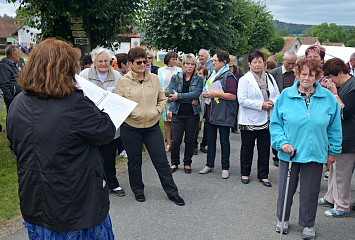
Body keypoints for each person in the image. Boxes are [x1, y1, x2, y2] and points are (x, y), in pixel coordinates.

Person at [6, 38, 116, 239]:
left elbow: (15, 144)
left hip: (35, 201)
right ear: (65, 69)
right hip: (76, 207)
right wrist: (87, 101)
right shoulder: (75, 104)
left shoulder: (18, 102)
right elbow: (106, 131)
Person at [270, 58, 342, 239]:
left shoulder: (328, 99)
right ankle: (283, 219)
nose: (307, 78)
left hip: (315, 154)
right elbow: (276, 124)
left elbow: (334, 127)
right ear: (298, 74)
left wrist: (333, 151)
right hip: (290, 153)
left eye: (311, 75)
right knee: (285, 191)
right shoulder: (285, 96)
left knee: (310, 193)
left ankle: (308, 224)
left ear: (318, 76)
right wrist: (282, 143)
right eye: (303, 74)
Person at [115, 47, 185, 206]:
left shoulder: (153, 78)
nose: (143, 65)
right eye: (138, 62)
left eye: (145, 62)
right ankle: (138, 190)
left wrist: (157, 111)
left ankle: (172, 192)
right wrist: (132, 114)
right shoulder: (123, 81)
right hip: (131, 127)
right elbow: (119, 104)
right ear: (130, 64)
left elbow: (162, 99)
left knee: (161, 161)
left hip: (152, 127)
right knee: (134, 161)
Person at [79, 46, 126, 197]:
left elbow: (121, 96)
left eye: (106, 61)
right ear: (94, 62)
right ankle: (95, 184)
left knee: (109, 156)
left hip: (109, 122)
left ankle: (113, 184)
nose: (104, 64)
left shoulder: (117, 76)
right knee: (92, 157)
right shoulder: (84, 74)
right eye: (100, 61)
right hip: (90, 122)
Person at [317, 58, 355, 217]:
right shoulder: (345, 85)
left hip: (349, 138)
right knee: (333, 170)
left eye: (332, 78)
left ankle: (342, 206)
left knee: (342, 175)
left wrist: (334, 93)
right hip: (339, 137)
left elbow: (345, 112)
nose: (332, 81)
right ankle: (330, 197)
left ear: (340, 73)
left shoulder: (352, 88)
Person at [237, 50, 280, 187]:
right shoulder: (245, 80)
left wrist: (272, 102)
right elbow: (242, 100)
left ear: (264, 63)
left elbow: (276, 94)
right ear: (249, 64)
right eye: (254, 62)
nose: (257, 65)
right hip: (249, 120)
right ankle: (245, 173)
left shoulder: (270, 78)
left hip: (267, 119)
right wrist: (260, 105)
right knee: (247, 148)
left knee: (264, 149)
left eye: (260, 62)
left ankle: (263, 175)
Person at [199, 50, 238, 179]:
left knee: (224, 142)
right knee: (210, 141)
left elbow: (232, 96)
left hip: (223, 114)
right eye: (213, 60)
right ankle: (209, 164)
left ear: (224, 62)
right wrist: (207, 93)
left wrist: (215, 94)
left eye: (216, 60)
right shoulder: (212, 75)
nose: (213, 62)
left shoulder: (229, 76)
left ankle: (225, 167)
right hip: (211, 113)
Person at [169, 53, 203, 174]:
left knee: (190, 140)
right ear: (183, 65)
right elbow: (171, 94)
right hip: (178, 113)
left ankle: (187, 163)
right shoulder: (176, 77)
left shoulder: (199, 79)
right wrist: (183, 97)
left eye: (192, 64)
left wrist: (179, 96)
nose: (189, 66)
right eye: (187, 64)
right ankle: (174, 162)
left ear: (195, 66)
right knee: (175, 140)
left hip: (192, 114)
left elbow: (196, 94)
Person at [268, 50, 297, 167]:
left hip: (295, 107)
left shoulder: (298, 73)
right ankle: (276, 155)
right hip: (279, 106)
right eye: (288, 63)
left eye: (293, 64)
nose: (290, 66)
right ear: (283, 61)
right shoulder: (273, 73)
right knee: (278, 130)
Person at [157, 52, 182, 152]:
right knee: (167, 122)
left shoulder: (179, 70)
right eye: (173, 59)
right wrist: (164, 97)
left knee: (176, 122)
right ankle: (168, 143)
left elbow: (180, 84)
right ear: (168, 59)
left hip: (176, 99)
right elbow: (159, 84)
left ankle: (176, 143)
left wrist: (176, 96)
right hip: (165, 100)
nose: (175, 61)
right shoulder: (160, 70)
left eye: (176, 59)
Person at [0, 44, 22, 111]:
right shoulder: (4, 66)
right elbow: (4, 85)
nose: (19, 55)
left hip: (17, 98)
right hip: (12, 100)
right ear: (13, 54)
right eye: (18, 53)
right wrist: (11, 100)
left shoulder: (12, 65)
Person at [195, 66, 209, 154]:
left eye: (200, 73)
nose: (198, 75)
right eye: (197, 73)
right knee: (196, 127)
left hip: (207, 108)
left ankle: (203, 145)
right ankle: (194, 145)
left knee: (207, 128)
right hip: (198, 108)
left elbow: (216, 98)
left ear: (205, 75)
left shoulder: (209, 83)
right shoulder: (195, 83)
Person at [229, 54, 243, 134]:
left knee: (235, 110)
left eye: (232, 61)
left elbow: (241, 78)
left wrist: (234, 81)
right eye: (229, 61)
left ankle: (234, 127)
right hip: (228, 92)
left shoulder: (237, 69)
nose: (230, 62)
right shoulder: (225, 69)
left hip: (236, 92)